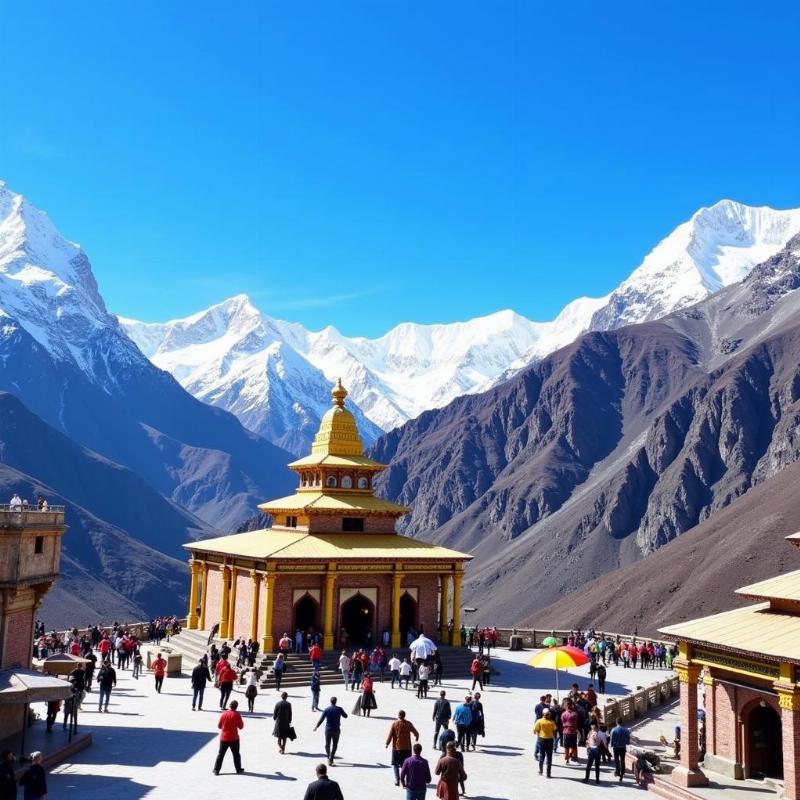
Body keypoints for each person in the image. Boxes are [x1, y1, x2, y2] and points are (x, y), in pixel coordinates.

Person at [385, 710, 420, 787]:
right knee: (406, 765)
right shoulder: (408, 724)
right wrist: (417, 738)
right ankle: (405, 780)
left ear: (399, 715)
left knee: (395, 764)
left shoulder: (394, 724)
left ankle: (397, 780)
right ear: (404, 716)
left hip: (396, 748)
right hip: (407, 748)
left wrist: (387, 743)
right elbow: (416, 733)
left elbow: (390, 735)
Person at [213, 699, 244, 775]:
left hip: (224, 738)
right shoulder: (237, 714)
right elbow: (241, 726)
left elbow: (219, 726)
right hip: (234, 738)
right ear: (236, 707)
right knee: (236, 754)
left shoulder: (224, 714)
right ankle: (238, 769)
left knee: (221, 754)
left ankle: (216, 770)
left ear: (229, 706)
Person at [314, 697, 348, 767]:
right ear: (336, 701)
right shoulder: (339, 709)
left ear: (330, 702)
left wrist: (316, 727)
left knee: (327, 744)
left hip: (328, 729)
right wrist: (342, 713)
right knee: (335, 745)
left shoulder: (327, 709)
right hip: (336, 730)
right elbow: (345, 716)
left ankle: (328, 755)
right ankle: (331, 758)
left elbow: (321, 719)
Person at [533, 708, 557, 778]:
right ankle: (548, 773)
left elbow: (535, 730)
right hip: (550, 740)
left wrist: (538, 733)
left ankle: (541, 771)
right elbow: (554, 730)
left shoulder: (539, 721)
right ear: (549, 714)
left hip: (541, 740)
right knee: (549, 757)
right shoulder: (552, 722)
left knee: (542, 756)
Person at [584, 720, 607, 784]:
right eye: (591, 725)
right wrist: (587, 745)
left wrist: (604, 748)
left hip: (597, 750)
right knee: (589, 765)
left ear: (595, 725)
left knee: (596, 766)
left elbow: (605, 743)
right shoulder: (590, 732)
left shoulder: (601, 733)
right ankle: (587, 778)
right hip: (591, 750)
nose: (592, 727)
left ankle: (597, 779)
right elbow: (588, 740)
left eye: (592, 725)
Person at [561, 698, 579, 764]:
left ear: (566, 706)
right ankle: (574, 756)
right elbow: (576, 722)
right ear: (571, 706)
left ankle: (567, 757)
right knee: (574, 745)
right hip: (573, 731)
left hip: (566, 731)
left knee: (566, 746)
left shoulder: (563, 714)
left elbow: (563, 722)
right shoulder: (575, 714)